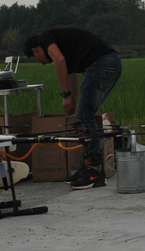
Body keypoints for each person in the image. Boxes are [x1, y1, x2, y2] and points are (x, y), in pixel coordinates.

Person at [24, 27, 122, 190]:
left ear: (35, 50)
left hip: (102, 63)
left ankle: (93, 171)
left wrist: (65, 94)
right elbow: (71, 74)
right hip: (109, 62)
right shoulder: (65, 47)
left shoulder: (44, 38)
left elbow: (59, 60)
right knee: (84, 114)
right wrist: (72, 102)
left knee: (85, 115)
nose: (42, 63)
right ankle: (88, 167)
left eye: (36, 59)